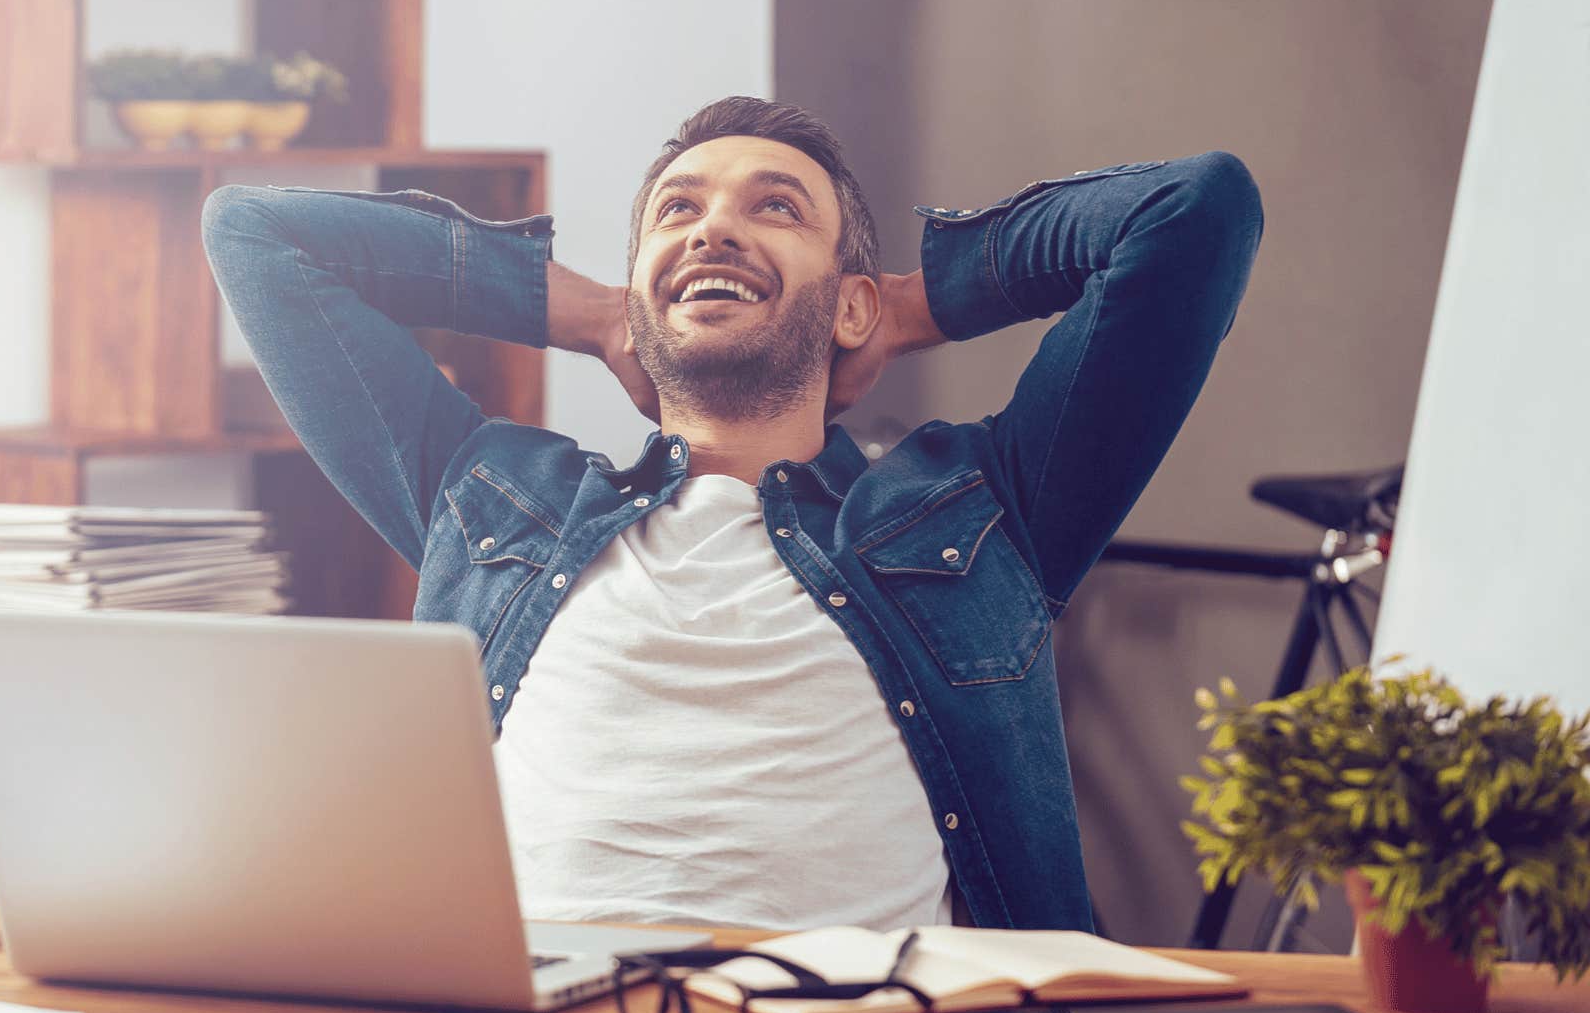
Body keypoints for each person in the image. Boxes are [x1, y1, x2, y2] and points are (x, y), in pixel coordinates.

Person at [201, 96, 1263, 934]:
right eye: (678, 210)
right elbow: (254, 237)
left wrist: (905, 306)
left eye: (776, 207)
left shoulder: (984, 511)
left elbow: (1193, 212)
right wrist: (586, 311)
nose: (714, 227)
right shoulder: (490, 501)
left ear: (847, 299)